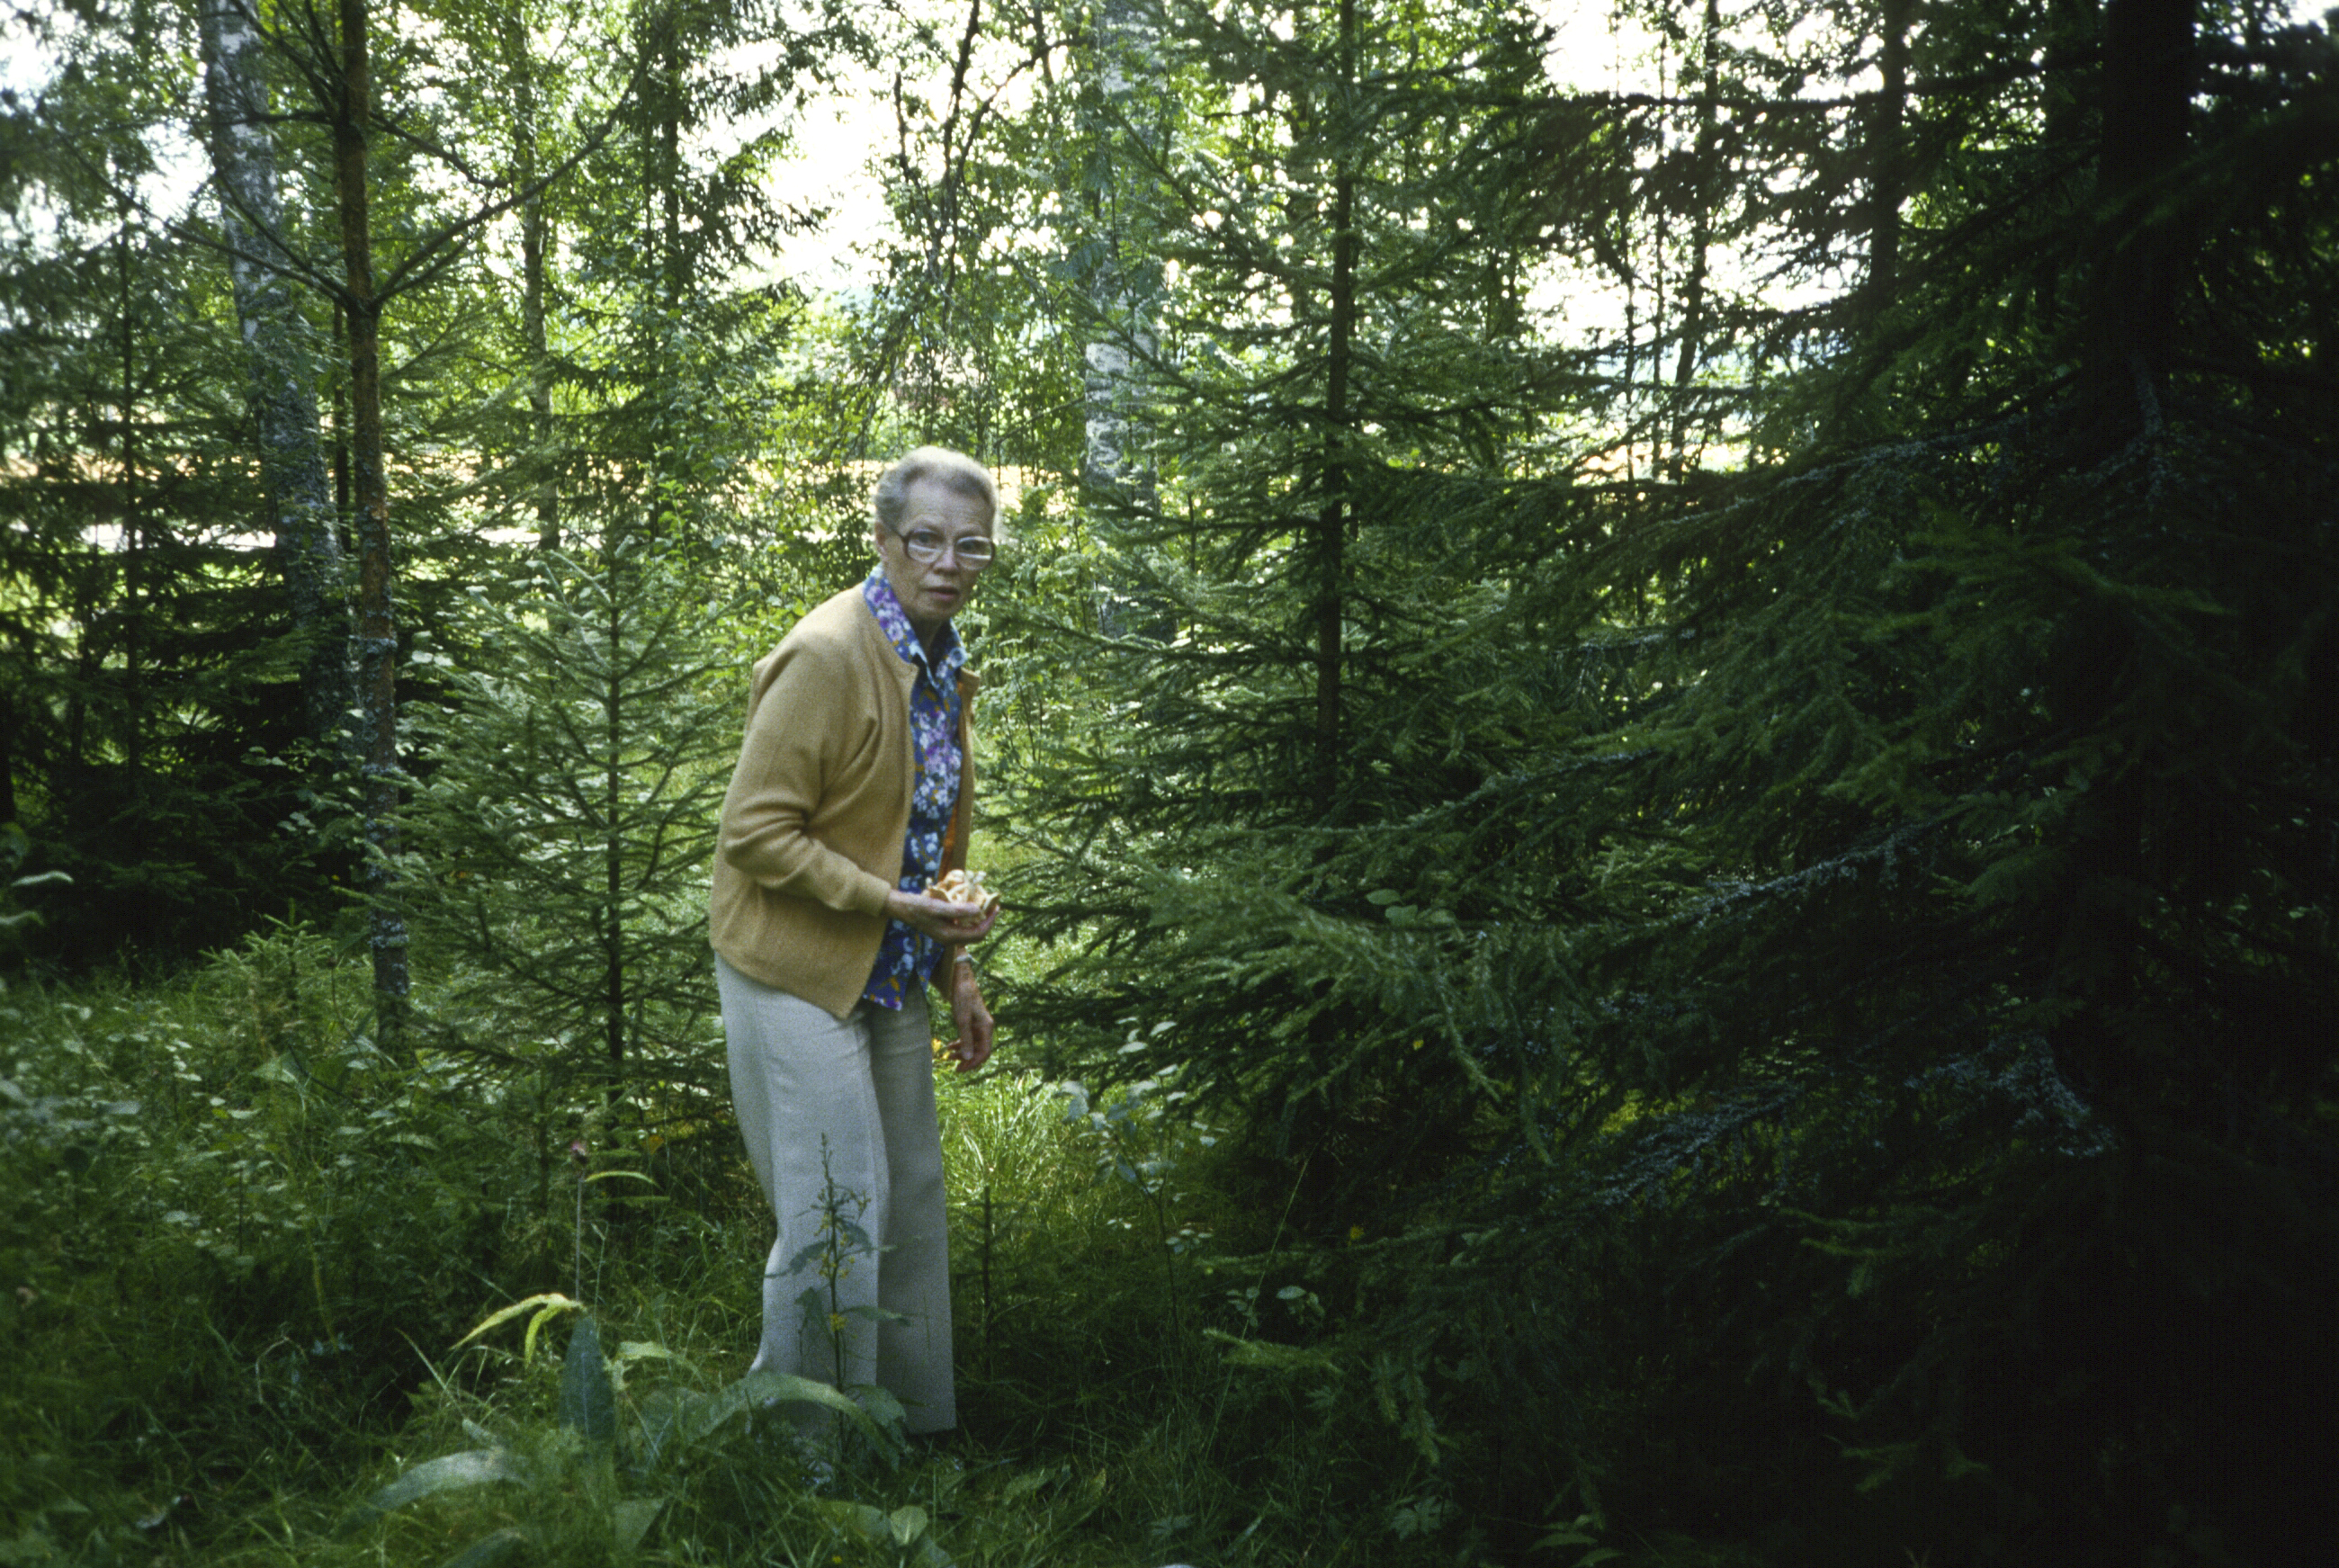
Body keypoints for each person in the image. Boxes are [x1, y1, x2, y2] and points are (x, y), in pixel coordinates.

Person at [709, 445, 1002, 1439]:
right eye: (925, 539)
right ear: (882, 540)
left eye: (972, 546)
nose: (948, 563)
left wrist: (954, 962)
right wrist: (890, 902)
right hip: (790, 966)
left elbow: (935, 832)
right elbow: (751, 833)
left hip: (890, 964)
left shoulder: (944, 654)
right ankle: (805, 1458)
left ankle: (910, 1430)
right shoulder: (828, 655)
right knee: (838, 1210)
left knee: (909, 1198)